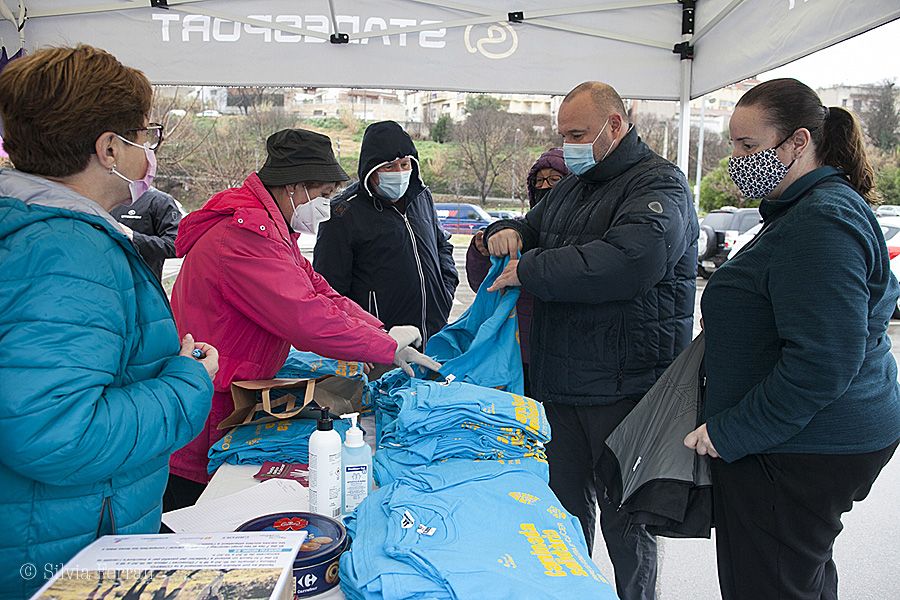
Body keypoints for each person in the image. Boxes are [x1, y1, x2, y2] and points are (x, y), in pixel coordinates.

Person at [0, 45, 217, 599]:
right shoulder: (65, 250)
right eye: (145, 134)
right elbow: (57, 432)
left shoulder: (33, 228)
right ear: (109, 148)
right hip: (56, 556)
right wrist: (188, 381)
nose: (150, 150)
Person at [684, 78, 900, 600]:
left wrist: (732, 431)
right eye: (733, 145)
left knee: (772, 584)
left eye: (748, 147)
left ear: (798, 143)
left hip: (796, 449)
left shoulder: (821, 221)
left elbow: (824, 360)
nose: (735, 159)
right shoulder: (805, 211)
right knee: (796, 577)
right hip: (802, 442)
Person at [484, 81, 698, 600]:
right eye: (563, 134)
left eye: (578, 134)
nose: (569, 145)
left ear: (616, 126)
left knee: (627, 527)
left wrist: (527, 267)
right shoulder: (571, 189)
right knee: (561, 521)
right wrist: (507, 229)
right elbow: (528, 230)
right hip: (562, 387)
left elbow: (628, 263)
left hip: (626, 390)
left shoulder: (660, 187)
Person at [166, 128, 439, 509]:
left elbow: (320, 292)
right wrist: (384, 348)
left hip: (224, 388)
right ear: (295, 187)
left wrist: (380, 333)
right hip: (208, 402)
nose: (328, 204)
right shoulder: (245, 238)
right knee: (195, 518)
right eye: (324, 194)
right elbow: (305, 317)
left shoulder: (271, 229)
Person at [314, 121, 458, 348]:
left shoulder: (421, 197)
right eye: (389, 167)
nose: (400, 173)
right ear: (370, 170)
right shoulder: (343, 212)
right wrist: (357, 338)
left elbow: (442, 245)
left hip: (433, 334)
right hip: (381, 343)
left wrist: (445, 291)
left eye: (404, 164)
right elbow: (330, 287)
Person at [465, 147, 569, 396]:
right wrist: (481, 252)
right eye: (539, 180)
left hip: (562, 354)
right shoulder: (520, 231)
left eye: (555, 179)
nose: (546, 186)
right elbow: (484, 284)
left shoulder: (580, 233)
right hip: (517, 351)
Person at [111, 187, 182, 281]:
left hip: (142, 283)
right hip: (107, 282)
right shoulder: (105, 198)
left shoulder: (160, 200)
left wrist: (134, 238)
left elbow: (174, 245)